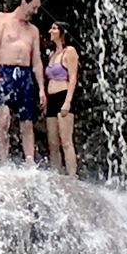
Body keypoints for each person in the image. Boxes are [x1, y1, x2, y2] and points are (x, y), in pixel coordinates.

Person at [0, 0, 46, 163]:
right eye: (33, 7)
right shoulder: (2, 19)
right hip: (4, 70)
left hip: (25, 74)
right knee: (3, 117)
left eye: (37, 9)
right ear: (23, 2)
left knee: (27, 121)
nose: (34, 12)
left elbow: (36, 61)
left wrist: (42, 89)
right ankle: (4, 159)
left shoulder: (33, 31)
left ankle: (29, 162)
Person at [45, 22, 79, 176]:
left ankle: (72, 175)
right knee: (53, 142)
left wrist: (68, 101)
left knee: (66, 141)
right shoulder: (52, 54)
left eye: (54, 28)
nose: (50, 31)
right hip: (51, 98)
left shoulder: (69, 51)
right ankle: (55, 174)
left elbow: (73, 78)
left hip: (63, 95)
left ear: (62, 32)